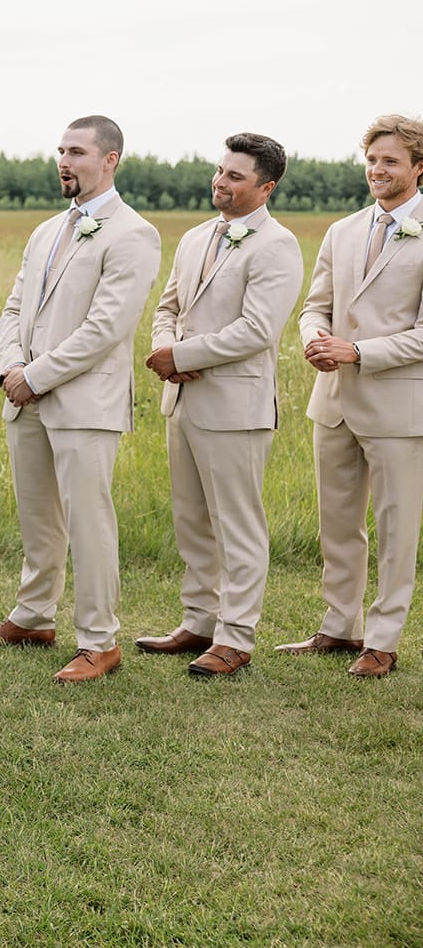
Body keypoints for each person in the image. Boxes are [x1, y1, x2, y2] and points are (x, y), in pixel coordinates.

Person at [0, 115, 160, 682]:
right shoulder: (46, 230)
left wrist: (38, 375)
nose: (64, 162)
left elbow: (106, 328)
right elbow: (13, 306)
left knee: (88, 520)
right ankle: (32, 617)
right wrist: (12, 367)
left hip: (84, 403)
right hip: (23, 394)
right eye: (61, 151)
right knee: (37, 516)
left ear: (110, 159)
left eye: (76, 152)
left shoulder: (133, 233)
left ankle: (100, 641)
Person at [137, 133, 303, 676]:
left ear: (266, 186)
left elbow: (256, 330)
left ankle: (236, 637)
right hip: (181, 399)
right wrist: (166, 349)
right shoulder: (194, 237)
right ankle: (199, 621)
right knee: (191, 519)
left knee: (237, 523)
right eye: (219, 171)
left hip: (236, 407)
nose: (220, 182)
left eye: (235, 176)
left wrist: (183, 353)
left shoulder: (277, 245)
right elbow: (168, 305)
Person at [279, 114, 423, 678]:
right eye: (372, 160)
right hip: (333, 399)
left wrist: (358, 352)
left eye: (390, 160)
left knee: (395, 526)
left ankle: (383, 640)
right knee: (338, 522)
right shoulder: (342, 230)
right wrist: (314, 337)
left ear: (418, 167)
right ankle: (341, 626)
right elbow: (316, 305)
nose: (377, 170)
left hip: (397, 405)